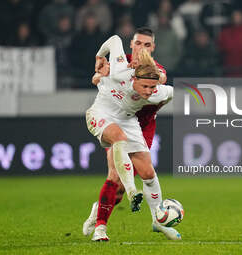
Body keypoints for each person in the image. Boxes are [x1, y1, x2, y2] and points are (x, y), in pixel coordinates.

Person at [83, 27, 179, 241]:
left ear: (152, 48)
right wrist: (99, 67)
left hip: (136, 124)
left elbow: (163, 81)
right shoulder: (119, 65)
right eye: (138, 43)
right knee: (115, 177)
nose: (141, 48)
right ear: (132, 44)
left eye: (147, 44)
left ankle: (157, 220)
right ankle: (102, 224)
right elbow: (98, 75)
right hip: (109, 118)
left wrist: (156, 81)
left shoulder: (156, 75)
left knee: (148, 173)